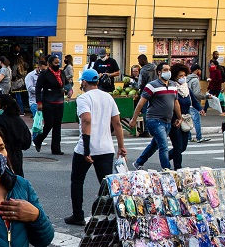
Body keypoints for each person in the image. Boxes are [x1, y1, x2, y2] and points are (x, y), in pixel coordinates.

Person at [66, 68, 127, 225]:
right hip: (106, 148)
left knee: (77, 180)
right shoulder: (108, 97)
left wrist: (86, 149)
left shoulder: (83, 98)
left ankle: (78, 215)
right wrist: (121, 146)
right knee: (106, 184)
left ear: (84, 82)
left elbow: (86, 120)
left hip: (86, 148)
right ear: (97, 82)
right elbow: (117, 123)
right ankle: (115, 214)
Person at [129, 64, 181, 170]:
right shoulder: (152, 85)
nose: (168, 72)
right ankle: (167, 170)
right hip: (154, 121)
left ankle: (139, 162)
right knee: (163, 146)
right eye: (165, 70)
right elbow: (140, 103)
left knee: (155, 144)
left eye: (169, 70)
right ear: (159, 72)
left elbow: (176, 103)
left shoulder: (173, 85)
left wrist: (180, 118)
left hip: (167, 121)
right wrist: (134, 119)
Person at [33, 54, 67, 154]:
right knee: (49, 124)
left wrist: (68, 90)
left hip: (59, 101)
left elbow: (66, 83)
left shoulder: (62, 72)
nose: (57, 64)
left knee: (57, 125)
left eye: (58, 63)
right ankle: (38, 140)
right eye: (55, 63)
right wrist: (39, 102)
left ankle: (56, 149)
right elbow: (38, 88)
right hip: (48, 102)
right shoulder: (44, 74)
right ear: (50, 63)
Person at [0, 94, 30, 176]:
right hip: (18, 156)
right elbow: (27, 142)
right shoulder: (19, 120)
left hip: (3, 155)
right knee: (17, 180)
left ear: (4, 107)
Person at [169, 63, 192, 168]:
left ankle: (165, 157)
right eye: (180, 76)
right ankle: (178, 169)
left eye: (184, 75)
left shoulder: (185, 88)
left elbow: (194, 100)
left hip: (185, 120)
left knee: (183, 147)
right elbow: (174, 103)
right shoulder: (172, 87)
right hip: (175, 120)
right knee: (178, 146)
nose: (183, 78)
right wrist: (178, 118)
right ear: (175, 77)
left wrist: (201, 109)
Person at [187, 65, 207, 142]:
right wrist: (205, 96)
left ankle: (189, 137)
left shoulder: (187, 79)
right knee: (196, 120)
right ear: (197, 70)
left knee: (187, 120)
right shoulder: (195, 80)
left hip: (187, 101)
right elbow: (197, 93)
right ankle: (199, 137)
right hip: (194, 102)